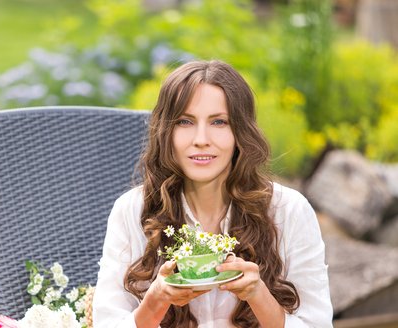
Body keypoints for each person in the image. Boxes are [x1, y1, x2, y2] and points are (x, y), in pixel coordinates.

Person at [92, 60, 332, 327]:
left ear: (241, 131)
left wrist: (258, 295)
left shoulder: (289, 210)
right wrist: (156, 300)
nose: (201, 139)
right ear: (166, 132)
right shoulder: (132, 210)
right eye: (185, 121)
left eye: (219, 122)